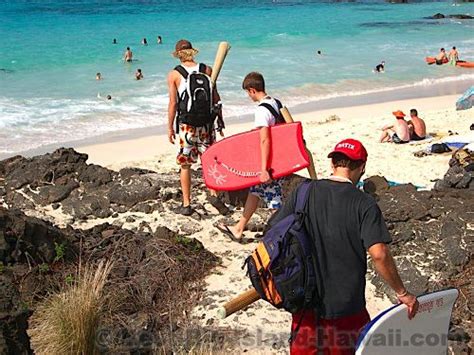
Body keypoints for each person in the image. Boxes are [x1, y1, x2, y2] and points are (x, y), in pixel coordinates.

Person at [270, 139, 419, 354]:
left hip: (305, 303)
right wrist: (402, 292)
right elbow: (379, 254)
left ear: (333, 164)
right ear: (362, 167)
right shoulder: (364, 203)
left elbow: (274, 234)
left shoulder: (303, 192)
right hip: (346, 307)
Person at [217, 72, 286, 243]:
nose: (248, 96)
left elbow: (265, 139)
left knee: (274, 200)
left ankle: (282, 235)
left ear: (252, 90)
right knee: (254, 192)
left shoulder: (262, 110)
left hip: (271, 163)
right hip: (279, 157)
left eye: (248, 93)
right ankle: (239, 228)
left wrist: (264, 169)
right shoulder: (275, 102)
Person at [167, 39, 228, 216]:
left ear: (178, 55)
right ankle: (214, 195)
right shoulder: (206, 70)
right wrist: (220, 122)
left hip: (187, 126)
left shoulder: (174, 74)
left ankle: (186, 204)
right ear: (193, 52)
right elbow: (216, 98)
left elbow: (173, 103)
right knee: (208, 161)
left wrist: (170, 128)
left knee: (185, 165)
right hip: (207, 124)